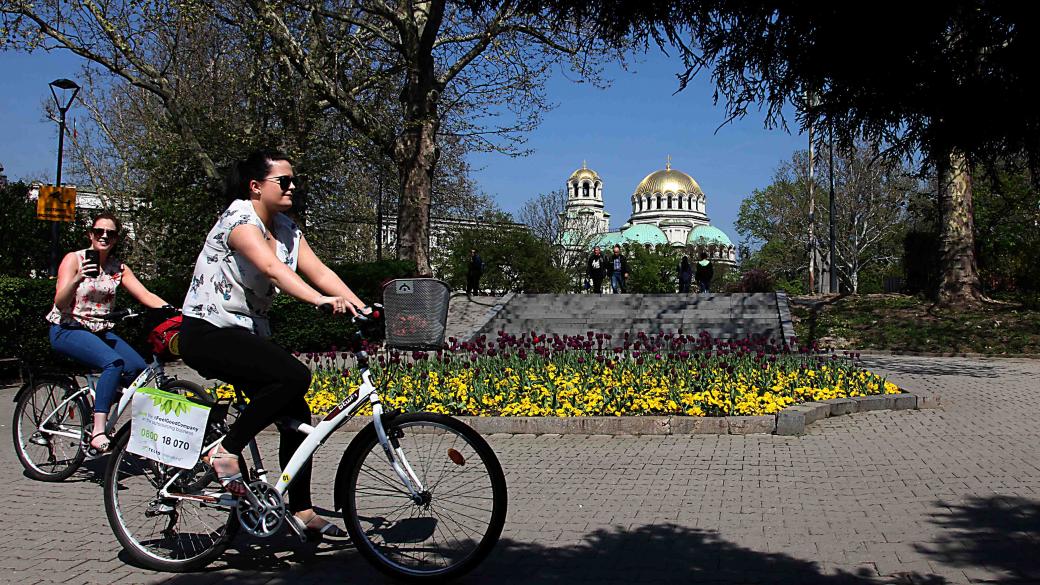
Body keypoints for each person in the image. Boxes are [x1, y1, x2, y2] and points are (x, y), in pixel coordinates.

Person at [178, 149, 367, 538]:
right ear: (255, 186)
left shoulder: (285, 229)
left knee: (297, 416)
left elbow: (319, 270)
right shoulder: (238, 218)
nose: (292, 186)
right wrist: (319, 300)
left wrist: (361, 307)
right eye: (284, 181)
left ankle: (301, 511)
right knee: (294, 376)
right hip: (208, 330)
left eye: (294, 180)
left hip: (245, 333)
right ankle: (226, 450)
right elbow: (271, 269)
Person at [46, 212, 171, 455]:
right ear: (90, 234)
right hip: (67, 327)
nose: (104, 236)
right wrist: (78, 277)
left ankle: (100, 402)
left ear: (116, 239)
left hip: (100, 331)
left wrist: (176, 312)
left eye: (110, 234)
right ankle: (98, 431)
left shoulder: (118, 268)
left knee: (137, 369)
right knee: (113, 363)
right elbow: (60, 303)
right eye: (99, 232)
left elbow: (146, 296)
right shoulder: (74, 259)